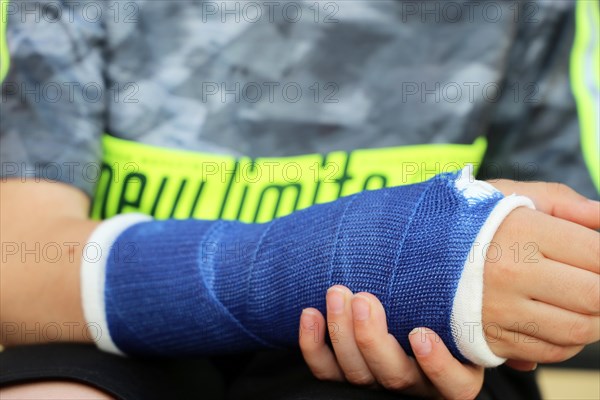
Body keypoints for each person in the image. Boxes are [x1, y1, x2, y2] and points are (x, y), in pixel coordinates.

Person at [0, 1, 598, 399]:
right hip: (119, 338)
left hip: (413, 359)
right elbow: (15, 265)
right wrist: (330, 258)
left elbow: (551, 268)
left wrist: (460, 308)